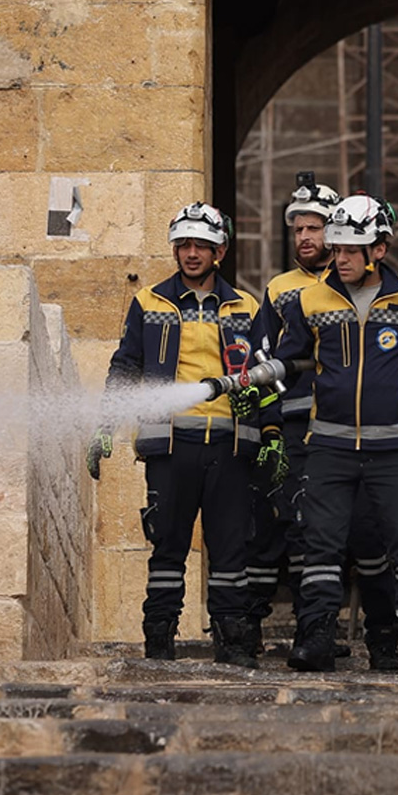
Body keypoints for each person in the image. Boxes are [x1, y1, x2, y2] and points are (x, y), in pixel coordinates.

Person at [87, 202, 284, 667]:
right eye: (184, 245)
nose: (192, 253)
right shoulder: (149, 302)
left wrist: (271, 431)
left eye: (202, 246)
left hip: (230, 446)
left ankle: (233, 644)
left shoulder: (245, 307)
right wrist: (106, 423)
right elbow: (126, 366)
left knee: (231, 550)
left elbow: (267, 375)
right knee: (168, 547)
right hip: (170, 445)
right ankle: (159, 642)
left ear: (220, 251)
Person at [271, 192, 398, 673]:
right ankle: (315, 640)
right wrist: (265, 379)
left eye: (352, 250)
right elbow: (290, 358)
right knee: (320, 546)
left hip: (395, 447)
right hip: (329, 446)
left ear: (380, 249)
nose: (341, 259)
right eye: (337, 249)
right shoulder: (309, 300)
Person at [248, 173, 398, 670]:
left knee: (370, 532)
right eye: (298, 230)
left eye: (314, 228)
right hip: (301, 426)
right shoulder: (280, 290)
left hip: (360, 428)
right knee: (308, 530)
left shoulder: (365, 287)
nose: (305, 238)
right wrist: (271, 429)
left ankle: (384, 638)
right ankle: (314, 631)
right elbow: (265, 360)